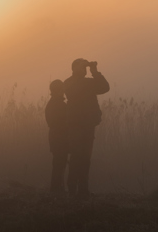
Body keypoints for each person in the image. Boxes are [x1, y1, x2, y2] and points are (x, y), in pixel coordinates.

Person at [64, 58, 110, 199]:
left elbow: (105, 88)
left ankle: (83, 189)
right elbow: (75, 89)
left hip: (88, 125)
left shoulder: (87, 83)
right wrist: (87, 73)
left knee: (85, 158)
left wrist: (95, 71)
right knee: (77, 157)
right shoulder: (69, 82)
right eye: (81, 67)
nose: (84, 69)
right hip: (76, 125)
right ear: (74, 68)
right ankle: (72, 190)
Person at [45, 79, 69, 195]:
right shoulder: (59, 104)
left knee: (58, 164)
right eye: (62, 88)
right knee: (60, 164)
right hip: (60, 138)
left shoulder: (52, 103)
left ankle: (57, 189)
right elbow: (64, 122)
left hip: (55, 137)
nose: (64, 91)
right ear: (59, 90)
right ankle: (57, 190)